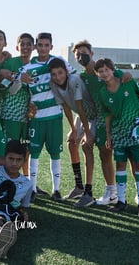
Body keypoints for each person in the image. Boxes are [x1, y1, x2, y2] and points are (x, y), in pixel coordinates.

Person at [69, 40, 132, 206]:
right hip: (98, 119)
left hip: (115, 118)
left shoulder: (102, 69)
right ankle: (108, 191)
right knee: (99, 151)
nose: (81, 56)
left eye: (84, 53)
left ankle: (122, 192)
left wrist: (127, 74)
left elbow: (121, 76)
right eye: (78, 54)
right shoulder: (81, 77)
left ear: (91, 53)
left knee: (117, 154)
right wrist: (81, 128)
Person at [19, 32, 75, 202]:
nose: (43, 48)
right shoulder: (27, 68)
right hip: (36, 118)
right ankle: (33, 188)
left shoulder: (57, 61)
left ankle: (56, 190)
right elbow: (16, 89)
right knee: (34, 154)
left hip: (54, 117)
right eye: (40, 45)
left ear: (51, 46)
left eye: (46, 45)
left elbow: (73, 76)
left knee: (55, 154)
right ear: (36, 47)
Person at [95, 58, 139, 217]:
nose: (104, 73)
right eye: (100, 71)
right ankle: (121, 201)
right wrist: (108, 135)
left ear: (113, 70)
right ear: (98, 74)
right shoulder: (102, 92)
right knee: (120, 165)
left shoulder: (128, 81)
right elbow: (107, 115)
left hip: (136, 131)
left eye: (107, 70)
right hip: (118, 133)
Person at [48, 57, 97, 207]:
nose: (58, 77)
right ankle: (79, 186)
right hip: (80, 115)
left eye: (60, 73)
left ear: (66, 71)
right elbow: (66, 108)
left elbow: (80, 108)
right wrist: (73, 129)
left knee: (86, 146)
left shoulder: (74, 80)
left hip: (94, 115)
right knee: (71, 143)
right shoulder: (53, 84)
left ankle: (88, 193)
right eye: (54, 74)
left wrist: (87, 133)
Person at [0, 33, 35, 176]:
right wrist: (19, 79)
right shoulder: (11, 63)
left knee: (26, 149)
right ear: (17, 46)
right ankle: (6, 177)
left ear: (33, 47)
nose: (25, 47)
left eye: (28, 44)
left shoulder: (36, 64)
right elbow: (3, 88)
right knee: (10, 149)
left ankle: (25, 178)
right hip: (11, 114)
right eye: (22, 44)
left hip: (29, 116)